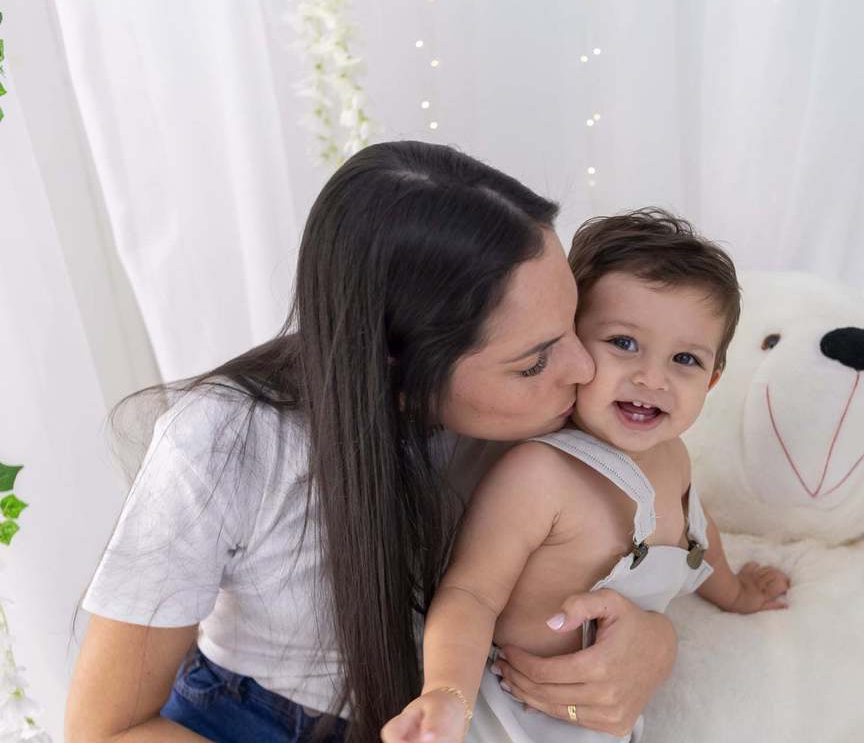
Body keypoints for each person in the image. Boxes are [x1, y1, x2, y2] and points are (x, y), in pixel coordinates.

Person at [65, 142, 680, 743]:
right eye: (532, 362)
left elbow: (670, 532)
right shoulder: (226, 444)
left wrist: (654, 642)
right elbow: (104, 729)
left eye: (573, 324)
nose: (585, 368)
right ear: (395, 365)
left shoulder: (566, 412)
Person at [383, 210, 791, 743]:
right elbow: (470, 594)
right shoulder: (540, 473)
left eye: (685, 359)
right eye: (623, 342)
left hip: (602, 720)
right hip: (505, 719)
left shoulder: (674, 456)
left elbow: (696, 533)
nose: (652, 378)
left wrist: (734, 592)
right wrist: (445, 693)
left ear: (712, 381)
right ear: (569, 344)